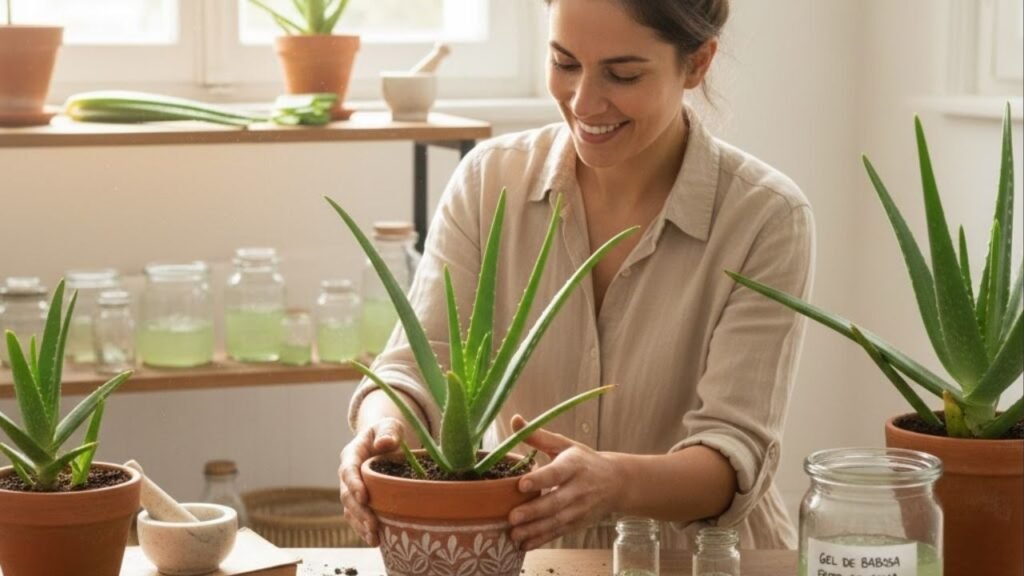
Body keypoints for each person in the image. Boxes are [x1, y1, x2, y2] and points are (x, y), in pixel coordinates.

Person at [339, 0, 813, 552]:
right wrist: (380, 430)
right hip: (533, 557)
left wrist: (615, 484)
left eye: (623, 74)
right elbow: (415, 367)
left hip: (706, 560)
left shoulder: (766, 216)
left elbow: (734, 455)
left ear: (698, 63)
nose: (583, 101)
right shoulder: (489, 181)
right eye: (564, 63)